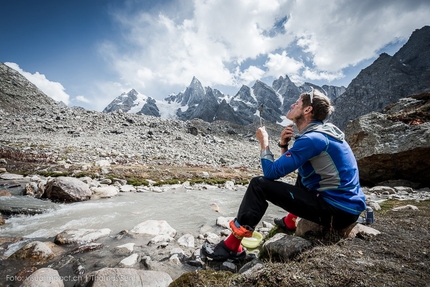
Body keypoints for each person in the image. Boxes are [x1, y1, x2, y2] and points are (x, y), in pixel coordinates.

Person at [201, 87, 366, 261]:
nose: (292, 104)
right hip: (348, 207)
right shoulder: (325, 131)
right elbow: (286, 167)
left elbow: (271, 173)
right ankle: (290, 220)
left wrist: (264, 142)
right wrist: (283, 145)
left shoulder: (311, 139)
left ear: (308, 110)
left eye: (297, 103)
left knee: (258, 185)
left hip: (337, 212)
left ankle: (231, 248)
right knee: (304, 174)